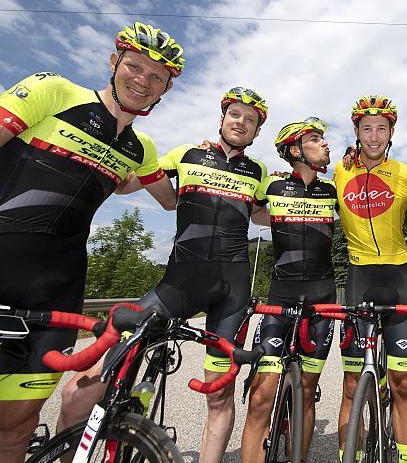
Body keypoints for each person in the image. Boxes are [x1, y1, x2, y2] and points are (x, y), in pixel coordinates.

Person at [0, 21, 183, 462]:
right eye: (135, 66)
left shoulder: (141, 149)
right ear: (113, 61)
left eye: (156, 76)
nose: (143, 80)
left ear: (164, 90)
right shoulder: (54, 91)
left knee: (18, 425)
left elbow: (169, 201)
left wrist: (197, 169)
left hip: (58, 293)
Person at [56, 87, 269, 463]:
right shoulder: (185, 154)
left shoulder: (259, 172)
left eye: (250, 120)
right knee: (79, 389)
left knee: (219, 395)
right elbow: (128, 183)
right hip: (176, 286)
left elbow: (264, 215)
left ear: (256, 133)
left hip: (231, 293)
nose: (241, 122)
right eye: (235, 114)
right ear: (221, 119)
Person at [334, 95, 407, 463]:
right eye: (366, 128)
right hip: (359, 277)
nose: (374, 136)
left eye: (381, 128)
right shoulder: (341, 171)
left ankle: (406, 457)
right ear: (356, 132)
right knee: (351, 384)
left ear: (391, 132)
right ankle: (350, 456)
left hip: (398, 277)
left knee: (402, 384)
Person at [241, 117, 338, 462]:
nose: (326, 144)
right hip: (281, 296)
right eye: (315, 139)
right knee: (261, 396)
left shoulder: (333, 190)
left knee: (307, 393)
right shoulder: (271, 186)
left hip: (323, 298)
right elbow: (251, 211)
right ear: (295, 150)